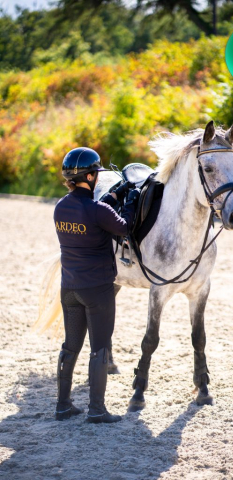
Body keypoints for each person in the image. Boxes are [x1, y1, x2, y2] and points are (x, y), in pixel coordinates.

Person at [53, 147, 139, 423]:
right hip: (98, 289)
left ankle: (63, 405)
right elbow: (123, 226)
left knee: (71, 345)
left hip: (69, 288)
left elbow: (93, 215)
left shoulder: (60, 207)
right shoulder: (98, 210)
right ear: (90, 177)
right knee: (99, 348)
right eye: (96, 175)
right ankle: (97, 409)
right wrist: (131, 200)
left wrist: (113, 196)